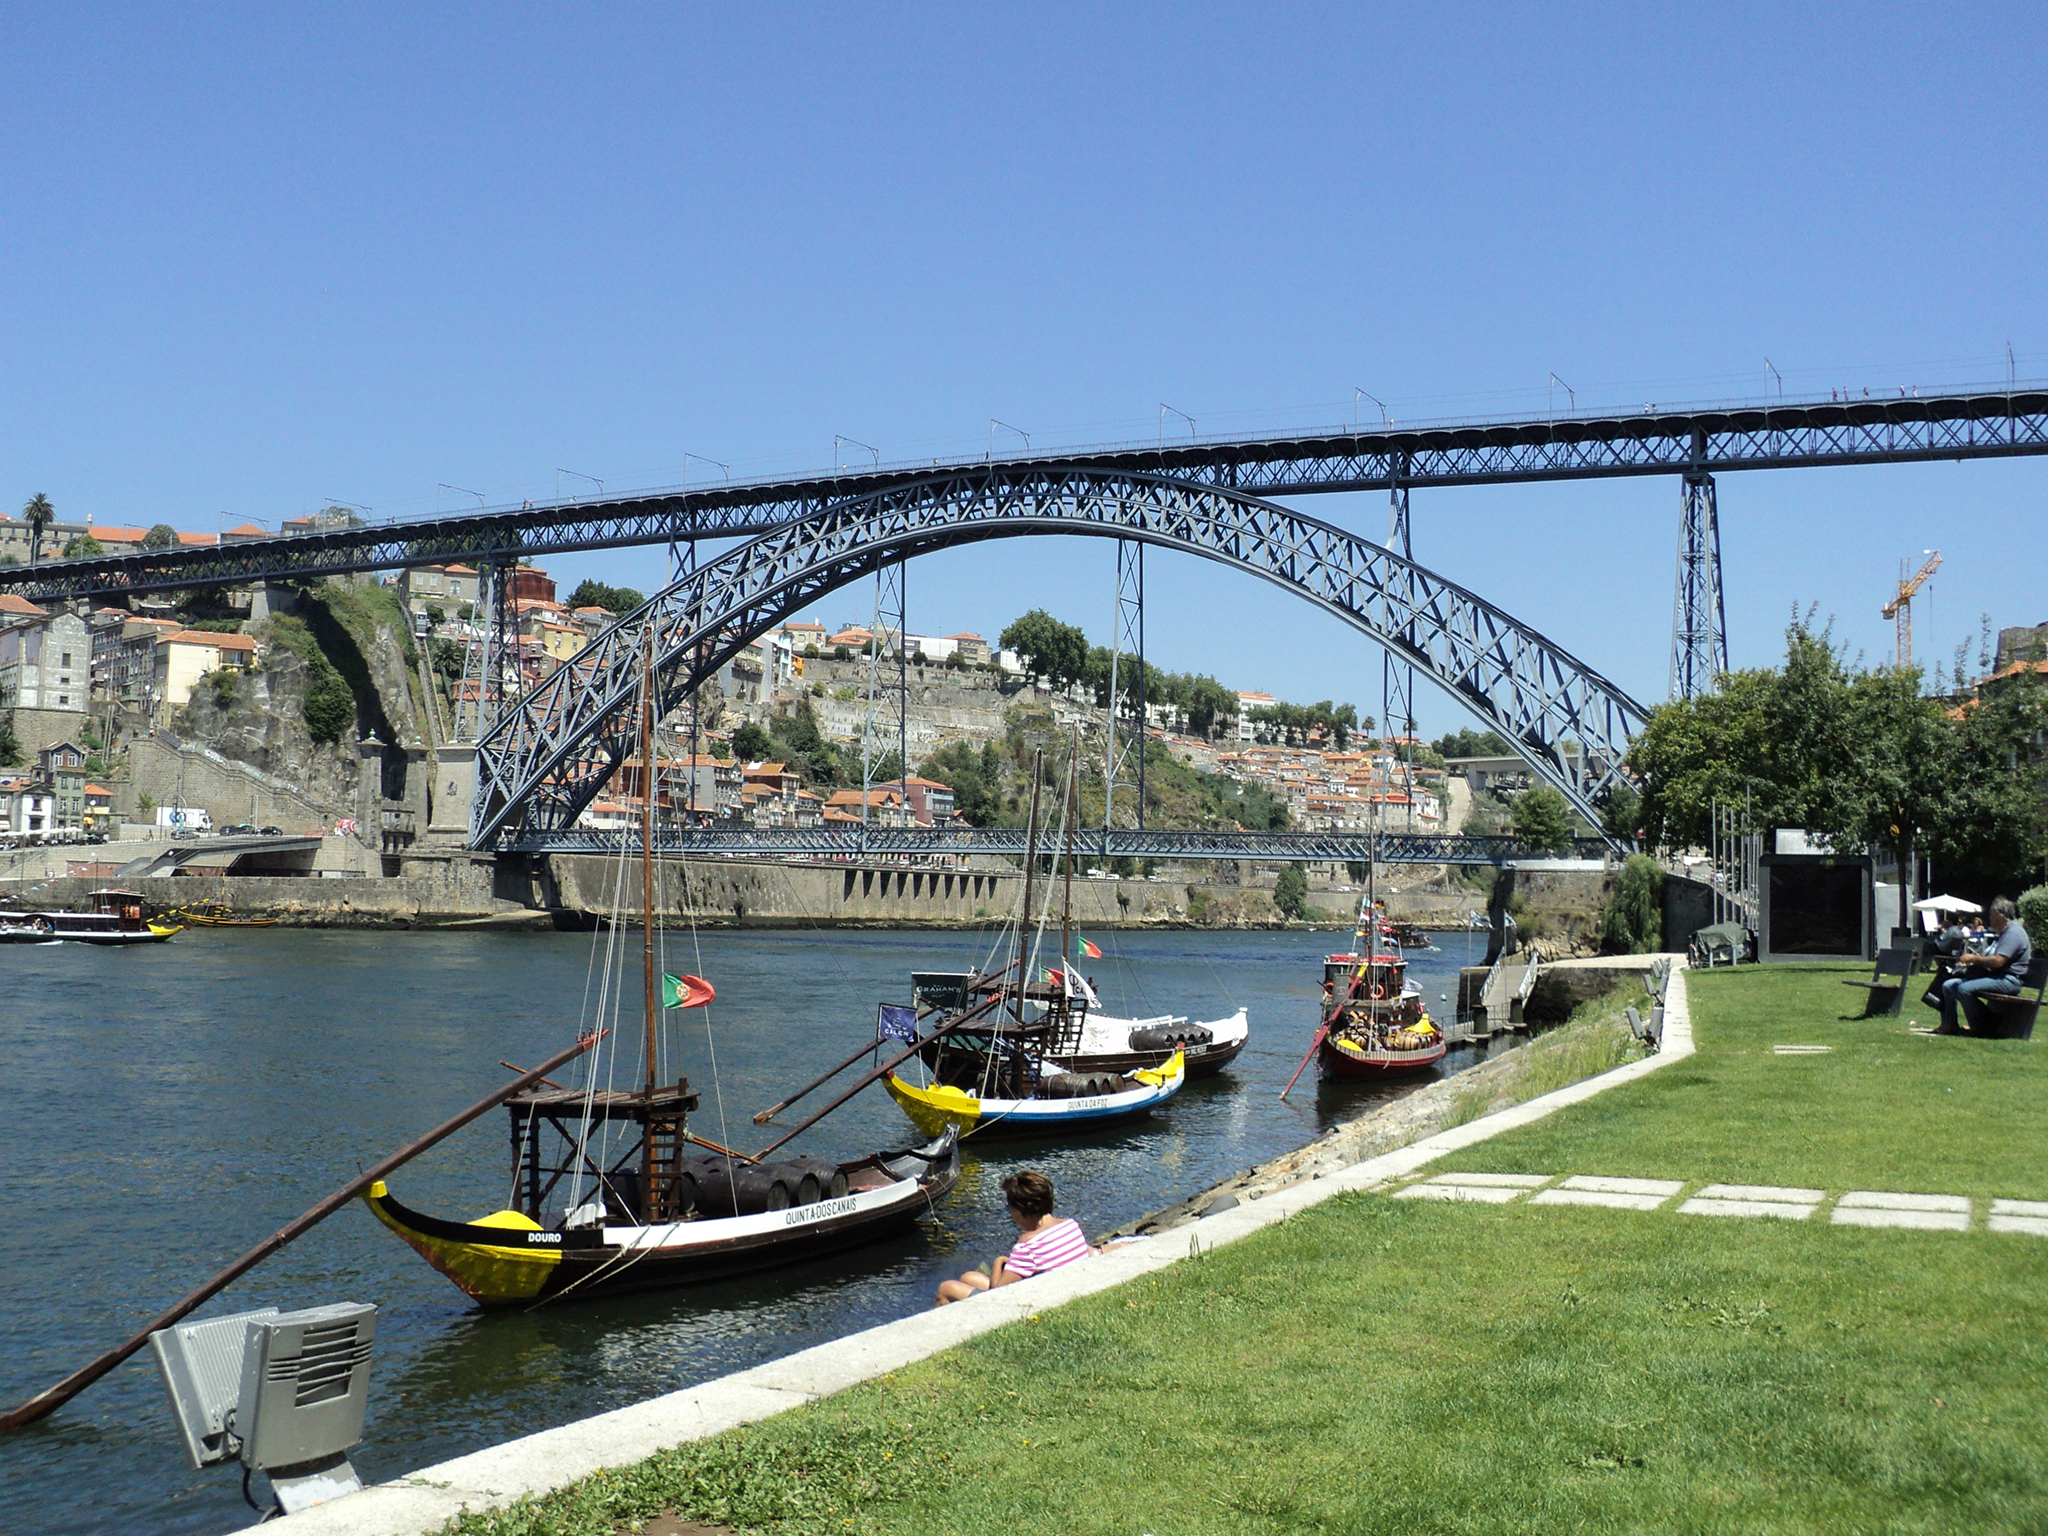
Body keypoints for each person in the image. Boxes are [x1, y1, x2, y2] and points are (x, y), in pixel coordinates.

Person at [934, 1170, 1090, 1305]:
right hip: (1060, 1290)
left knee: (946, 1288)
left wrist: (998, 1262)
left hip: (1037, 1303)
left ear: (1021, 1210)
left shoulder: (1028, 1243)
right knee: (969, 1277)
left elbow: (998, 1292)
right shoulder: (1071, 1225)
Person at [1935, 897, 2032, 1035]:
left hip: (2010, 980)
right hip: (1998, 976)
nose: (1990, 919)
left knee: (1964, 989)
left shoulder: (2013, 933)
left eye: (1991, 915)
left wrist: (1975, 959)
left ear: (1999, 915)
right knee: (1949, 985)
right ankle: (1949, 1024)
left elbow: (1999, 961)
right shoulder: (2005, 932)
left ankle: (1983, 1026)